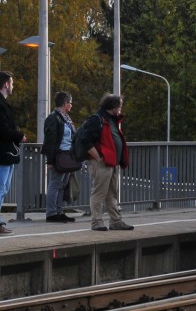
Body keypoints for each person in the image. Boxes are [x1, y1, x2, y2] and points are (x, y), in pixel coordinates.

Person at [76, 94, 133, 232]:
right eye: (119, 105)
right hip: (102, 163)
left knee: (112, 193)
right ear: (113, 107)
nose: (120, 108)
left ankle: (115, 221)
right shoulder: (97, 119)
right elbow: (85, 140)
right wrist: (98, 157)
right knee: (99, 193)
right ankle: (96, 222)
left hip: (112, 162)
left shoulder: (111, 119)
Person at [39, 91, 78, 223]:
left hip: (67, 156)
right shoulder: (53, 118)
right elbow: (50, 140)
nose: (72, 105)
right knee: (55, 184)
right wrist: (50, 160)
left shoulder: (66, 118)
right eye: (70, 103)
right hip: (59, 156)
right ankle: (51, 213)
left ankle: (59, 211)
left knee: (63, 185)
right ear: (65, 103)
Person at [0, 72, 25, 236]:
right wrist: (18, 135)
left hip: (6, 152)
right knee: (0, 187)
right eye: (12, 83)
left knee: (4, 187)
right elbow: (2, 129)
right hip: (3, 152)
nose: (13, 86)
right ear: (6, 84)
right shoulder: (0, 105)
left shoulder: (3, 104)